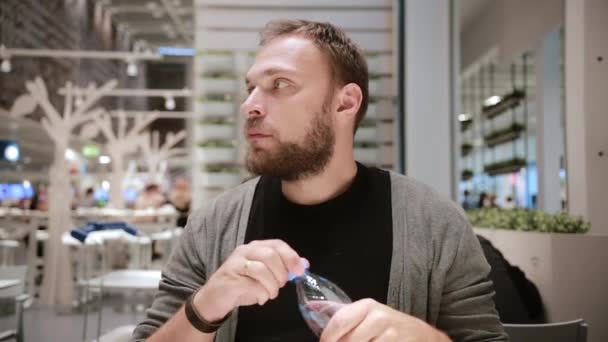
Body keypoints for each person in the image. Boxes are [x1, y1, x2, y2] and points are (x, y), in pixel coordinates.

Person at [133, 20, 507, 342]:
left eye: (280, 84)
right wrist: (204, 307)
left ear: (346, 103)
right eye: (251, 88)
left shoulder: (433, 223)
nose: (250, 105)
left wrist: (427, 338)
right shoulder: (214, 225)